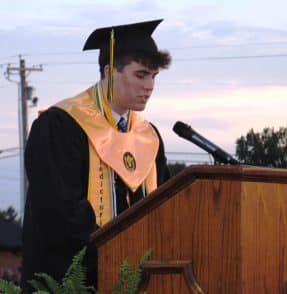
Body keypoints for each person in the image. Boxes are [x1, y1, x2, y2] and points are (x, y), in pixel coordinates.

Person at [21, 19, 171, 292]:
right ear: (109, 71)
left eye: (153, 76)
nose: (150, 86)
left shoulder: (150, 138)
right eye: (141, 75)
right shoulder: (61, 126)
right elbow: (58, 215)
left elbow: (165, 210)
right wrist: (117, 257)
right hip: (73, 283)